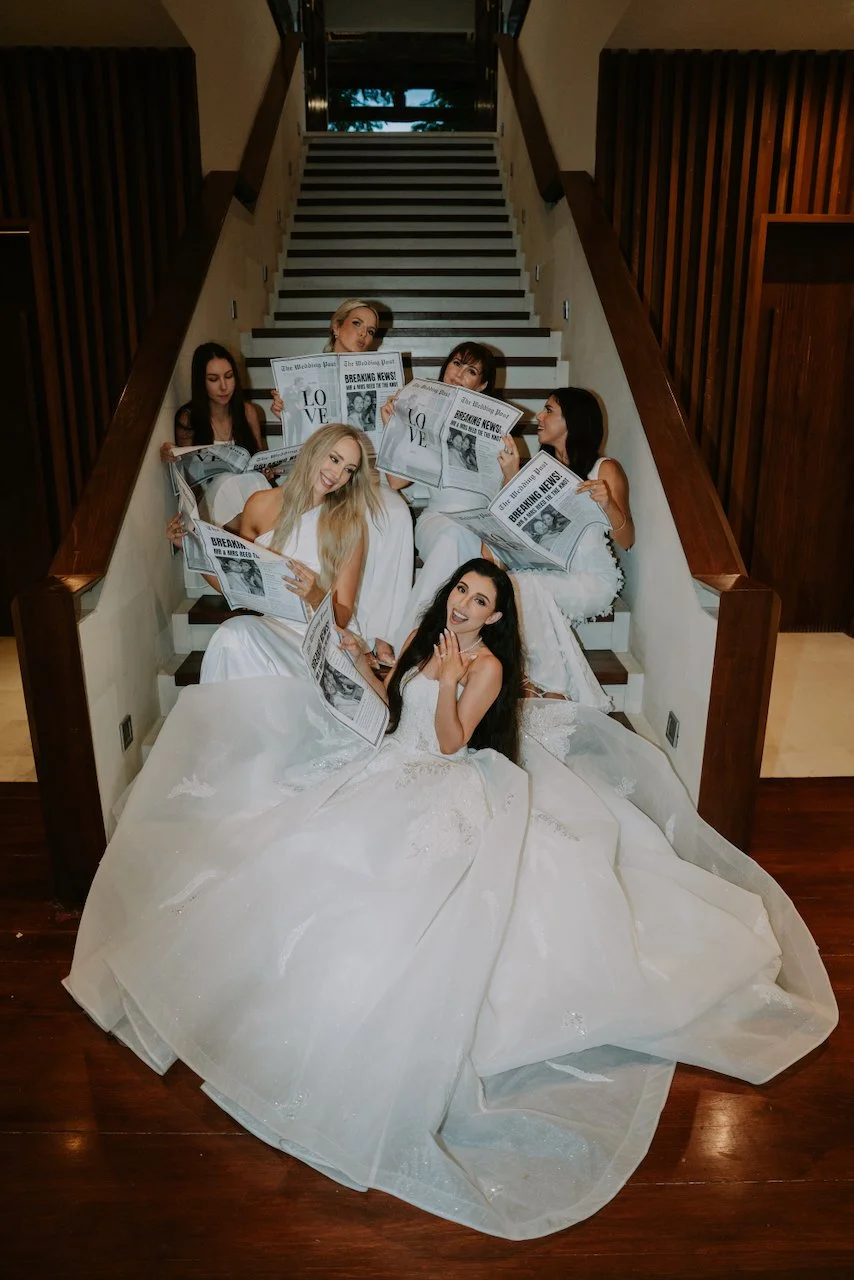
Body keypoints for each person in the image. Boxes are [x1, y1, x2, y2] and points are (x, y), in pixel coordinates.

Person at [63, 559, 836, 1239]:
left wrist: (449, 679)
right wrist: (367, 665)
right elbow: (392, 707)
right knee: (296, 858)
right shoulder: (429, 639)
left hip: (444, 781)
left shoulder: (488, 663)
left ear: (498, 614)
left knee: (390, 890)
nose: (466, 605)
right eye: (461, 592)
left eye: (480, 599)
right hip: (387, 769)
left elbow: (449, 742)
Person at [166, 424, 382, 682]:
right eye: (334, 459)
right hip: (272, 630)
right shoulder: (259, 504)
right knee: (230, 635)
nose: (337, 474)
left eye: (348, 470)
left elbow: (344, 613)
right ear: (314, 451)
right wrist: (189, 548)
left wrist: (315, 596)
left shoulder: (348, 524)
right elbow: (236, 585)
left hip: (322, 637)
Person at [270, 299, 413, 667]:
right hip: (317, 478)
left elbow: (392, 463)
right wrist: (285, 412)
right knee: (350, 518)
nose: (364, 335)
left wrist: (392, 422)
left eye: (371, 331)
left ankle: (382, 633)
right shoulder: (305, 375)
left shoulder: (382, 377)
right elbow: (295, 448)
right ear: (336, 326)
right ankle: (342, 616)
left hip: (361, 476)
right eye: (356, 325)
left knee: (395, 514)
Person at [496, 387, 632, 700]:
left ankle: (543, 684)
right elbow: (515, 531)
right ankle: (548, 687)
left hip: (590, 578)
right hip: (546, 571)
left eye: (548, 410)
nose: (538, 418)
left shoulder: (605, 469)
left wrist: (609, 503)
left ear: (573, 420)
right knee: (520, 583)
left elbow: (627, 540)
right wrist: (510, 478)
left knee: (525, 585)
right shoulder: (538, 471)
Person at [382, 342, 508, 649]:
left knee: (464, 537)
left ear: (482, 385)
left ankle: (438, 646)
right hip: (439, 519)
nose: (460, 374)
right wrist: (394, 428)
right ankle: (413, 644)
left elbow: (506, 497)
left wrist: (512, 467)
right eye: (456, 364)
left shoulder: (499, 429)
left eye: (472, 371)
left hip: (483, 523)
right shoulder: (420, 411)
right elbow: (396, 482)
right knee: (453, 535)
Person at [161, 342, 271, 529]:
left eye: (229, 377)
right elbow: (190, 482)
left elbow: (259, 460)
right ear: (201, 382)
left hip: (246, 497)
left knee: (257, 479)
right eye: (213, 379)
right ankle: (255, 542)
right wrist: (171, 453)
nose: (224, 386)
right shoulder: (189, 418)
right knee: (227, 482)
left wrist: (267, 469)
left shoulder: (247, 412)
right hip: (210, 504)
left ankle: (251, 542)